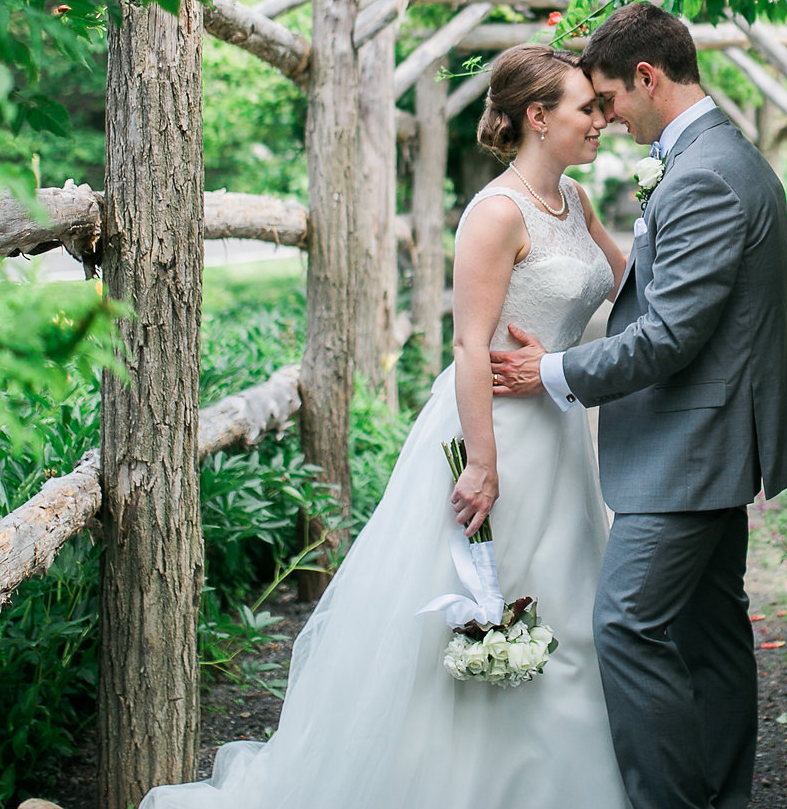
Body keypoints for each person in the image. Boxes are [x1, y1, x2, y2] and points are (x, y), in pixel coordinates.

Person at [140, 45, 630, 809]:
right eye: (585, 108)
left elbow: (626, 287)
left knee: (564, 608)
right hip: (497, 431)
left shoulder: (577, 200)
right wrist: (481, 462)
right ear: (539, 117)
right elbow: (468, 344)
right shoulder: (497, 213)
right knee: (484, 603)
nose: (601, 119)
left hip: (560, 430)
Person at [493, 2, 787, 809]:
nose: (604, 118)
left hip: (691, 449)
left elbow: (669, 335)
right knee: (711, 631)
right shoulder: (714, 156)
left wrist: (553, 371)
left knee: (627, 626)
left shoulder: (704, 173)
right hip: (709, 439)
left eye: (607, 99)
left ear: (647, 76)